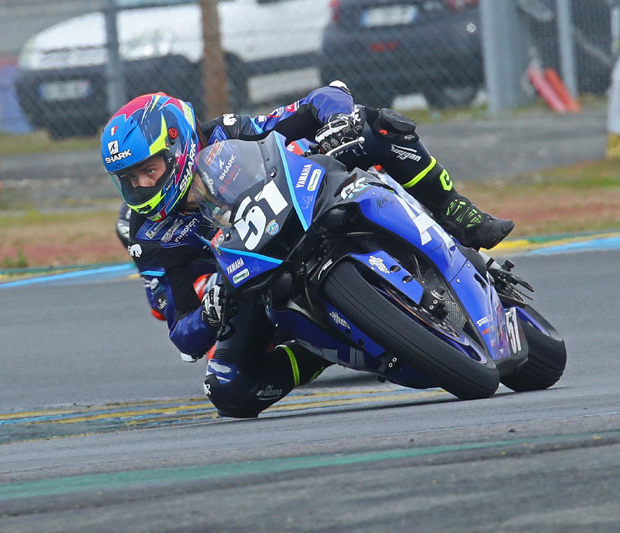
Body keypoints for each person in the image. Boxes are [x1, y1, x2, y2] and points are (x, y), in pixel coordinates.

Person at [102, 83, 513, 417]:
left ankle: (455, 211)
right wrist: (209, 311)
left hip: (309, 202)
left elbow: (320, 99)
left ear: (177, 148)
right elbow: (182, 332)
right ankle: (315, 353)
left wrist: (337, 120)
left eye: (149, 171)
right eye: (129, 179)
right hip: (253, 280)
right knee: (227, 387)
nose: (141, 186)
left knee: (376, 125)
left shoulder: (227, 132)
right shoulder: (148, 234)